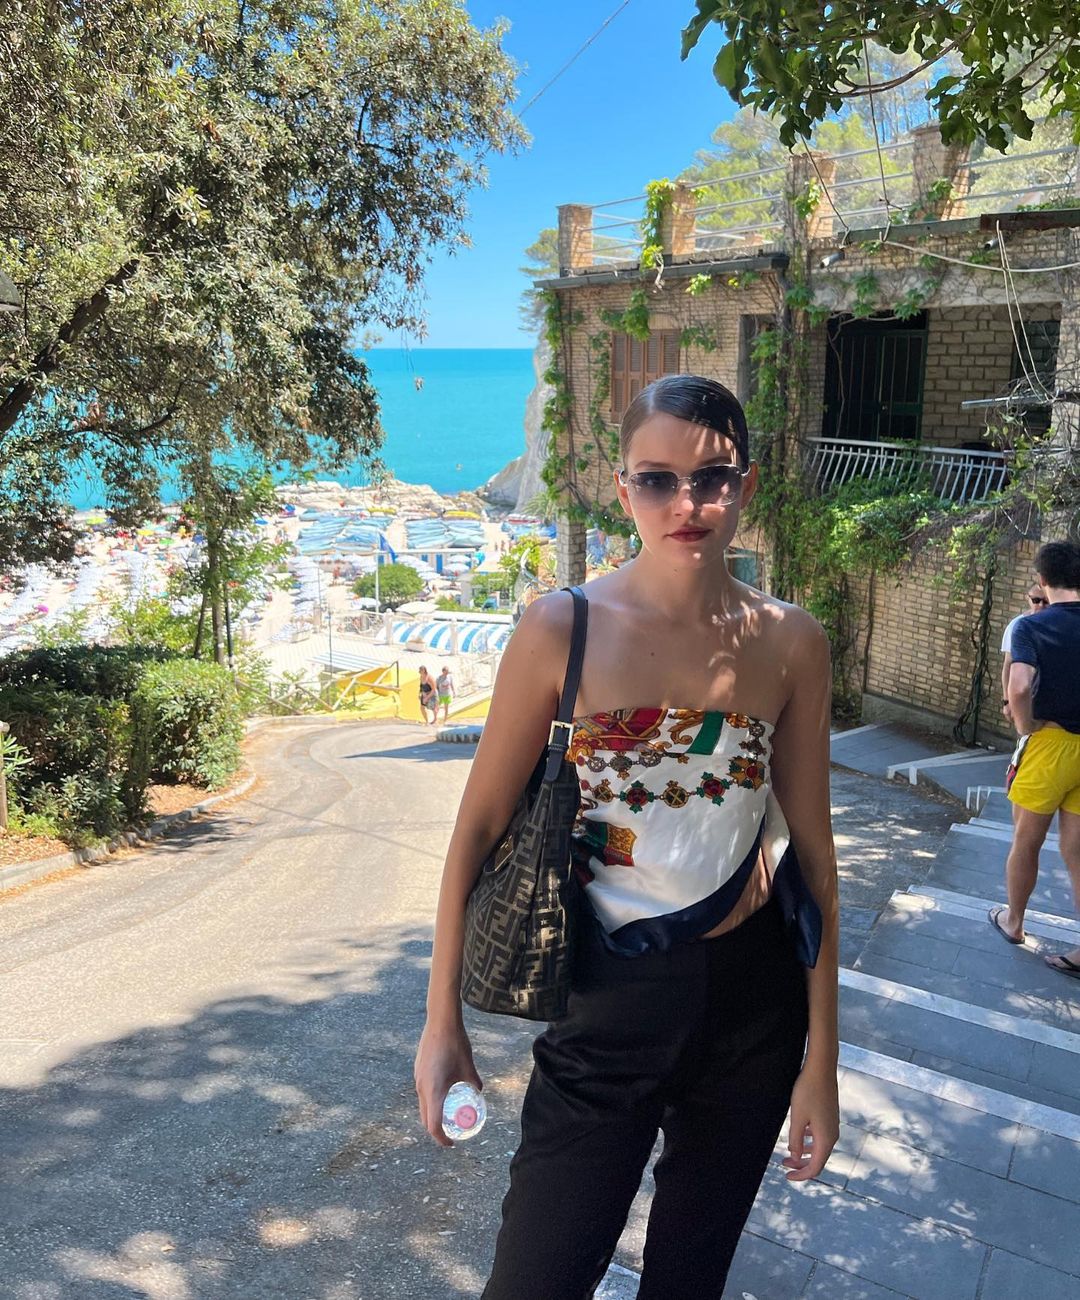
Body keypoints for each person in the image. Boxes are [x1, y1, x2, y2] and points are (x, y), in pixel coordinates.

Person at [414, 375, 840, 1298]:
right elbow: (478, 828)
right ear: (623, 489)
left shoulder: (790, 642)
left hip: (752, 1006)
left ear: (746, 485)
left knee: (689, 1279)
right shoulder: (561, 628)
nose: (687, 504)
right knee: (536, 1277)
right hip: (605, 996)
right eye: (658, 480)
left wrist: (823, 1063)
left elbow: (814, 861)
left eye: (712, 478)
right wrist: (442, 1020)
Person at [990, 541, 1080, 976]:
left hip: (1050, 745)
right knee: (1076, 851)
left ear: (1042, 581)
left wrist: (1025, 726)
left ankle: (1015, 922)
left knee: (1026, 841)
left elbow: (1020, 685)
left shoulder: (1032, 626)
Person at [999, 583, 1050, 726]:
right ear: (1027, 598)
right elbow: (1008, 666)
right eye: (1036, 600)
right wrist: (1007, 701)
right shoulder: (1017, 626)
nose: (1040, 605)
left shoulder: (1055, 626)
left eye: (1045, 601)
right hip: (1026, 702)